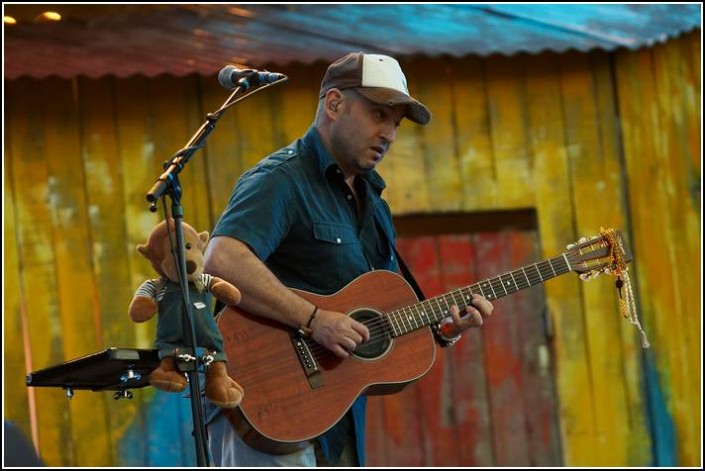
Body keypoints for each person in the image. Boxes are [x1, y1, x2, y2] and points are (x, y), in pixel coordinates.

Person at [203, 51, 494, 467]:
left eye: (396, 123)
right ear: (335, 104)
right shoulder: (281, 180)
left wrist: (440, 328)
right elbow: (221, 257)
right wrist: (313, 319)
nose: (389, 134)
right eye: (378, 114)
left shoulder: (375, 206)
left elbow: (382, 312)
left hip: (335, 417)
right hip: (266, 409)